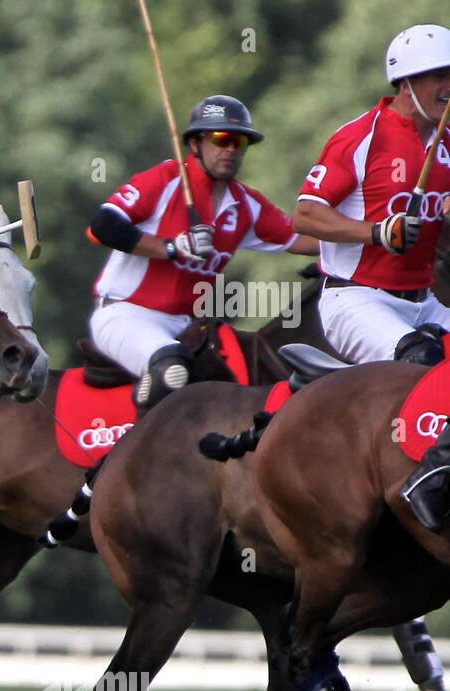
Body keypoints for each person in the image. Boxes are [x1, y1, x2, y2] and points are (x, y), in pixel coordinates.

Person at [290, 25, 450, 530]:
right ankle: (429, 475)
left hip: (421, 299)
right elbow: (305, 215)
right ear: (405, 83)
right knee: (422, 359)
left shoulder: (448, 144)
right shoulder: (360, 138)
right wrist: (376, 231)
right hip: (356, 300)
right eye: (438, 77)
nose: (449, 87)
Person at [87, 94, 317, 410]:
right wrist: (171, 248)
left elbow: (304, 240)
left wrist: (376, 235)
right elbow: (103, 225)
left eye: (240, 142)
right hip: (126, 314)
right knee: (173, 371)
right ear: (195, 143)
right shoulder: (164, 180)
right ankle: (126, 456)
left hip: (187, 326)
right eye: (222, 139)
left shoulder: (247, 204)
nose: (231, 149)